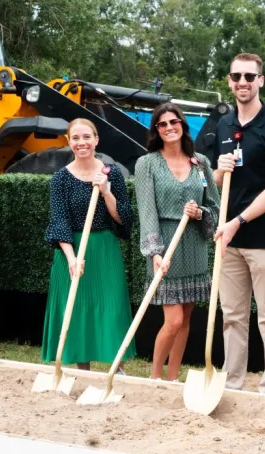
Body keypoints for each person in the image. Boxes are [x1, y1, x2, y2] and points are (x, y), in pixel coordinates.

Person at [212, 53, 265, 395]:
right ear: (229, 80)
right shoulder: (223, 125)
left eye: (250, 76)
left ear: (261, 80)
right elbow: (219, 182)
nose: (242, 82)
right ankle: (232, 384)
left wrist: (237, 221)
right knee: (232, 316)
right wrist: (220, 169)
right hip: (230, 241)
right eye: (236, 76)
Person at [134, 103, 220, 382]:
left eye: (174, 122)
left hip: (194, 247)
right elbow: (146, 212)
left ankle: (173, 378)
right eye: (162, 124)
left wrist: (200, 213)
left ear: (182, 125)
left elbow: (215, 209)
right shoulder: (147, 164)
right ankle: (155, 376)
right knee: (173, 321)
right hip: (166, 249)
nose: (169, 127)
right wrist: (154, 253)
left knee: (185, 321)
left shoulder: (201, 163)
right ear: (156, 130)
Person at [41, 118, 136, 371]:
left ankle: (118, 367)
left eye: (86, 137)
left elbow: (124, 218)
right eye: (76, 138)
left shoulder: (111, 173)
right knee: (77, 309)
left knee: (111, 307)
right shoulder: (60, 179)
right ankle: (83, 370)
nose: (81, 142)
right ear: (68, 142)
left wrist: (106, 191)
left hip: (104, 249)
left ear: (96, 140)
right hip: (71, 250)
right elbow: (59, 221)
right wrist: (72, 259)